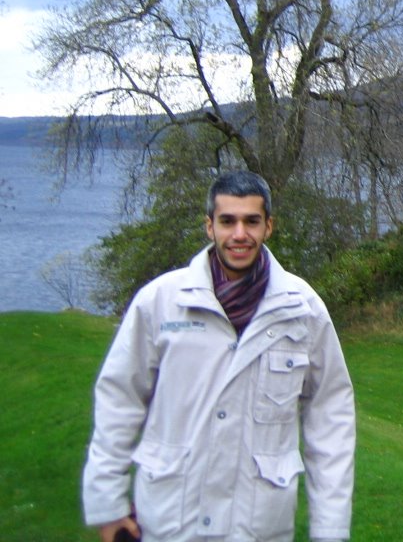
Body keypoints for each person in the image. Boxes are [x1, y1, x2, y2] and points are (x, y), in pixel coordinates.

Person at [82, 170, 356, 542]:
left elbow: (331, 417)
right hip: (170, 519)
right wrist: (108, 504)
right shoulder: (161, 301)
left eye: (251, 221)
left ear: (269, 226)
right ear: (209, 226)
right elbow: (119, 400)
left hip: (259, 524)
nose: (239, 234)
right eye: (228, 221)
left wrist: (330, 529)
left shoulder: (303, 309)